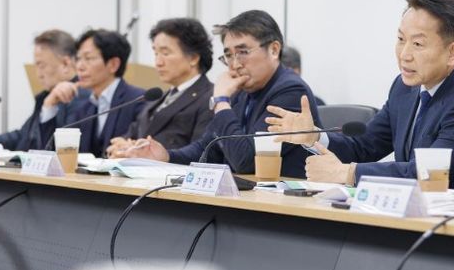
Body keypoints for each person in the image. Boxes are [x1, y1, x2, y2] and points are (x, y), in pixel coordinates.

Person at [266, 0, 454, 190]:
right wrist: (314, 136)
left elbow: (426, 174)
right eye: (401, 39)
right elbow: (365, 146)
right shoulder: (404, 88)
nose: (404, 54)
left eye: (418, 44)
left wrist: (347, 173)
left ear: (452, 53)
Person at [126, 10, 321, 177]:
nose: (234, 64)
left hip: (285, 202)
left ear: (274, 50)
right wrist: (167, 156)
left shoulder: (290, 91)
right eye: (228, 55)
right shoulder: (242, 90)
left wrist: (221, 101)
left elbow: (245, 161)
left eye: (243, 52)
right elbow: (208, 148)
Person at [106, 18, 214, 157]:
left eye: (165, 53)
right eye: (156, 53)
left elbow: (202, 153)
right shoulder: (158, 98)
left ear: (193, 58)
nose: (158, 62)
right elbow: (131, 136)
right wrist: (121, 147)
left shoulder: (210, 97)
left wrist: (146, 153)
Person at [42, 29, 145, 157]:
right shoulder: (84, 108)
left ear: (113, 64)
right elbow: (55, 151)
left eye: (88, 58)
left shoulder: (139, 101)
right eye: (78, 59)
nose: (80, 66)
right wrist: (49, 105)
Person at [0, 30, 88, 151]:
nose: (38, 74)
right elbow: (23, 135)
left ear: (65, 64)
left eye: (41, 65)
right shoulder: (45, 97)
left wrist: (49, 107)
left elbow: (61, 150)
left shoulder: (81, 97)